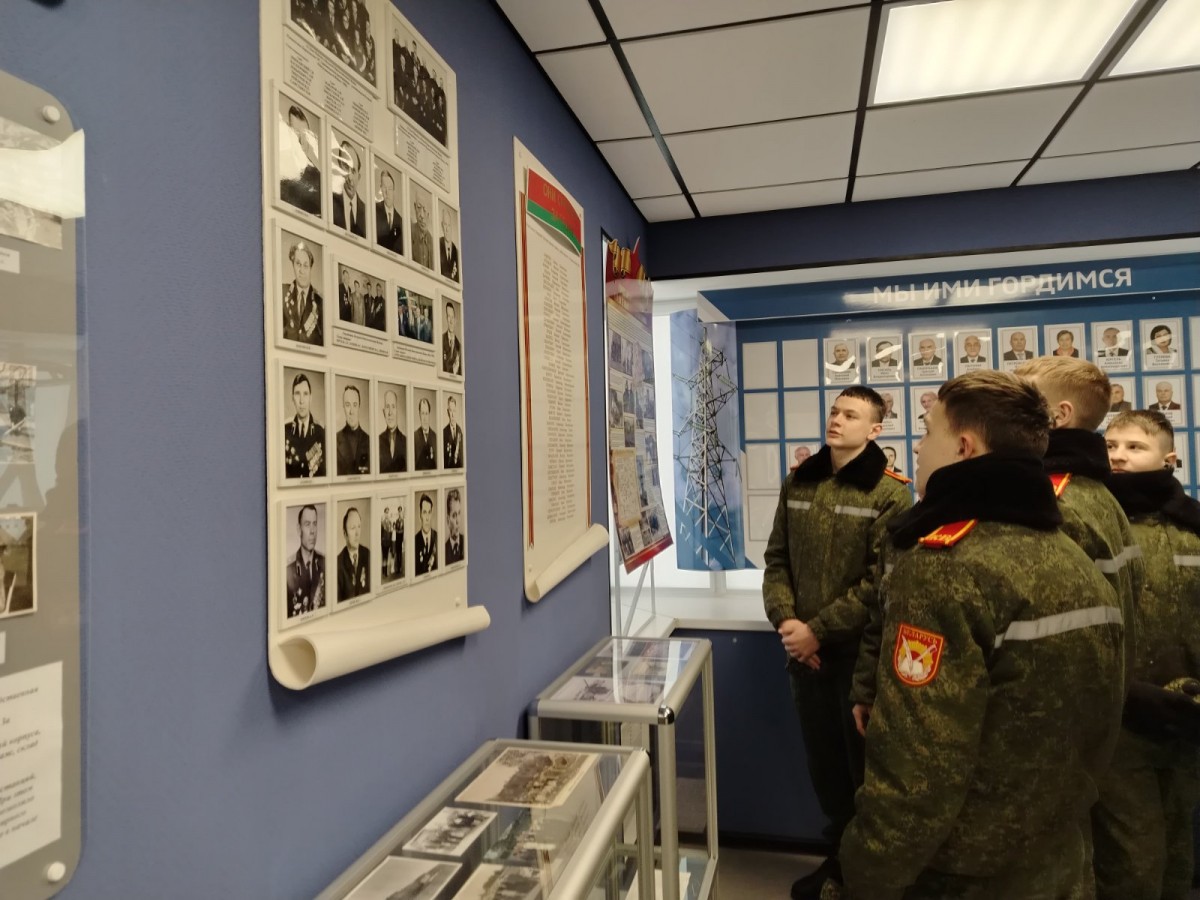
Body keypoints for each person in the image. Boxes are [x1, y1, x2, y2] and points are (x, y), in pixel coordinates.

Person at [839, 370, 1124, 898]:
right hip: (1060, 857)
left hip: (962, 870)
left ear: (964, 447)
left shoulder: (945, 568)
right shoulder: (1072, 557)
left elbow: (917, 774)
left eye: (928, 431)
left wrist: (864, 876)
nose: (918, 447)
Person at [762, 385, 913, 899]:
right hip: (803, 658)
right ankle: (838, 864)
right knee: (824, 769)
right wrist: (787, 622)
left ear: (875, 430)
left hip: (854, 658)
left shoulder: (890, 493)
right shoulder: (799, 482)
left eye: (851, 415)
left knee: (861, 773)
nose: (837, 420)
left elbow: (878, 583)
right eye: (834, 411)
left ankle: (861, 875)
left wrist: (817, 631)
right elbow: (776, 560)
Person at [1094, 411, 1200, 899]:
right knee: (1132, 859)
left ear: (1169, 458)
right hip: (1120, 714)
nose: (1118, 456)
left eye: (1135, 447)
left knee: (1179, 850)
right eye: (1111, 445)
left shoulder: (1193, 527)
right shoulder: (1093, 522)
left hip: (1186, 715)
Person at [278, 103, 320, 215]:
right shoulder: (282, 168)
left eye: (305, 134)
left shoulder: (316, 173)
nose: (301, 140)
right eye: (296, 132)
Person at [286, 504, 325, 618]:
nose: (312, 531)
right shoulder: (288, 569)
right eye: (307, 524)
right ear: (299, 530)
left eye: (315, 524)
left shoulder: (325, 563)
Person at [281, 240, 323, 345]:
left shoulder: (320, 302)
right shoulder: (282, 293)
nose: (302, 271)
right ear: (293, 265)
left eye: (305, 265)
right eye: (298, 264)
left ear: (310, 268)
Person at [284, 372, 326, 478]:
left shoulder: (321, 432)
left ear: (311, 398)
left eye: (305, 394)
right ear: (292, 398)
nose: (301, 401)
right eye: (297, 394)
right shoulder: (284, 431)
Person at [331, 140, 366, 238]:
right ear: (339, 167)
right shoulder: (329, 202)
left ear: (359, 177)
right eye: (346, 167)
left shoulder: (367, 213)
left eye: (353, 171)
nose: (350, 177)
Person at [337, 506, 370, 601]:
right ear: (345, 534)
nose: (357, 533)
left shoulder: (368, 555)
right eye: (352, 528)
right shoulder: (338, 563)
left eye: (359, 526)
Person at [336, 384, 370, 475]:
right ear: (343, 407)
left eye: (355, 405)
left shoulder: (370, 441)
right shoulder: (335, 440)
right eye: (347, 405)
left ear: (359, 406)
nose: (351, 411)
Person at [374, 168, 404, 255]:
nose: (387, 192)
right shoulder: (374, 210)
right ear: (381, 189)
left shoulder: (400, 221)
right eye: (384, 188)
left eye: (390, 188)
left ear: (394, 191)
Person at [378, 388, 406, 473]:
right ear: (384, 412)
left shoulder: (406, 441)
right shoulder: (377, 441)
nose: (390, 412)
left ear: (397, 411)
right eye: (387, 407)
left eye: (393, 407)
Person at [415, 492, 438, 575]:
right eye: (424, 512)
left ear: (432, 514)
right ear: (420, 514)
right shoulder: (415, 540)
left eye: (429, 512)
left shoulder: (437, 537)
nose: (427, 518)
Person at [414, 397, 437, 470]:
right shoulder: (414, 437)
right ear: (419, 415)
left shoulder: (435, 437)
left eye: (426, 413)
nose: (424, 418)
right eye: (422, 413)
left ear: (429, 414)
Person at [411, 194, 434, 269]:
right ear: (414, 207)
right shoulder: (409, 232)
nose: (421, 215)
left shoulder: (432, 242)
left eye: (425, 210)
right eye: (418, 207)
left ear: (429, 214)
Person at [439, 206, 460, 282]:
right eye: (445, 224)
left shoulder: (456, 251)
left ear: (452, 227)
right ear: (442, 226)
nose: (447, 229)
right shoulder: (437, 245)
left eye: (449, 225)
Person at [443, 395, 463, 469]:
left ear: (456, 411)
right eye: (450, 411)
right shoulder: (444, 432)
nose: (452, 414)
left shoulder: (460, 431)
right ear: (448, 412)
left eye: (454, 411)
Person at [442, 302, 462, 376]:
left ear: (455, 320)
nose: (451, 321)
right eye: (448, 316)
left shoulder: (459, 346)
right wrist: (452, 371)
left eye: (452, 317)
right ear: (446, 318)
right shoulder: (441, 340)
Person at [445, 488, 464, 564]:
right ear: (448, 520)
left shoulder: (465, 542)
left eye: (459, 513)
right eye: (454, 515)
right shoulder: (444, 550)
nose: (458, 521)